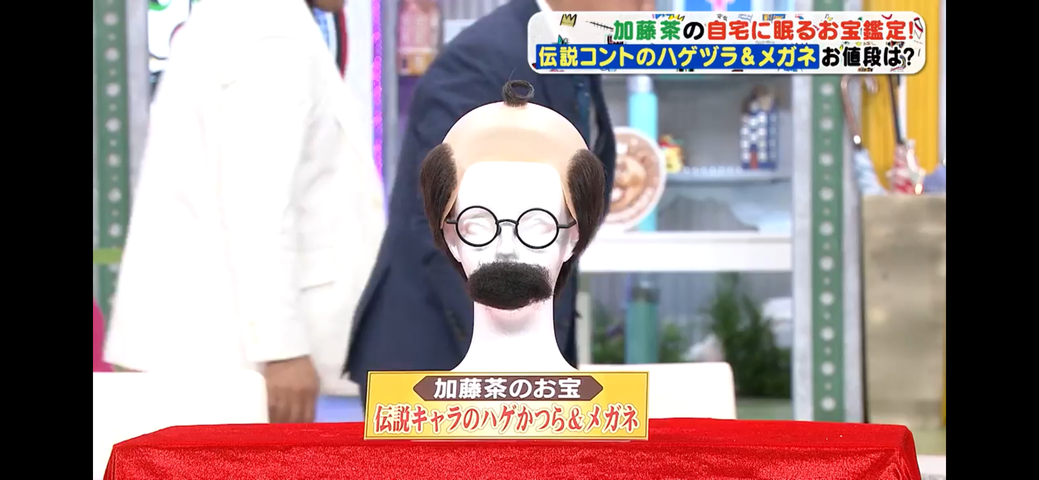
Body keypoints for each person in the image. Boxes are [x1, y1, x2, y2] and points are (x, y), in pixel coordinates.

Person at [345, 0, 646, 403]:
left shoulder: (574, 56)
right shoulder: (484, 58)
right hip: (440, 354)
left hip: (523, 357)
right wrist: (511, 364)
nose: (648, 9)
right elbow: (439, 214)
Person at [105, 0, 385, 424]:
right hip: (225, 360)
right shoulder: (270, 33)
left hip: (207, 352)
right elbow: (260, 207)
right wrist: (282, 350)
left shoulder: (244, 17)